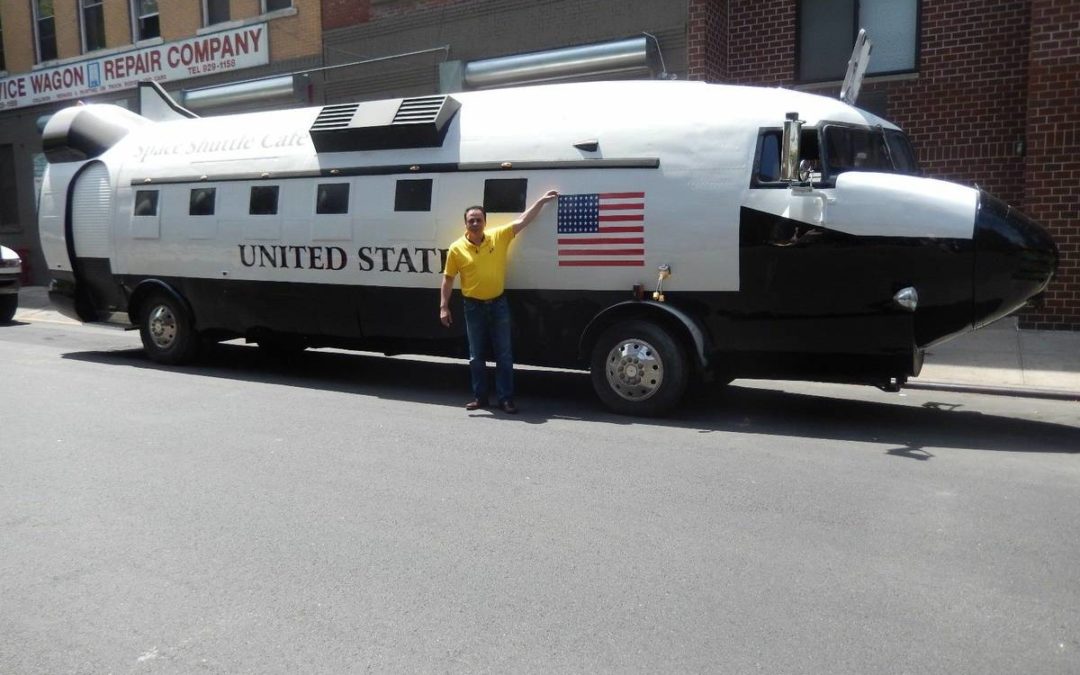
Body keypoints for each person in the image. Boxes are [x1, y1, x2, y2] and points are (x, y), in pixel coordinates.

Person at [440, 190, 559, 413]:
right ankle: (480, 398)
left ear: (485, 222)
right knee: (476, 356)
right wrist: (443, 306)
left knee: (504, 355)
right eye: (470, 220)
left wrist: (541, 201)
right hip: (472, 306)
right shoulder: (456, 248)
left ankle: (506, 399)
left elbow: (523, 220)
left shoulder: (499, 235)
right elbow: (448, 278)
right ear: (465, 224)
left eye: (478, 220)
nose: (475, 223)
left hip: (498, 305)